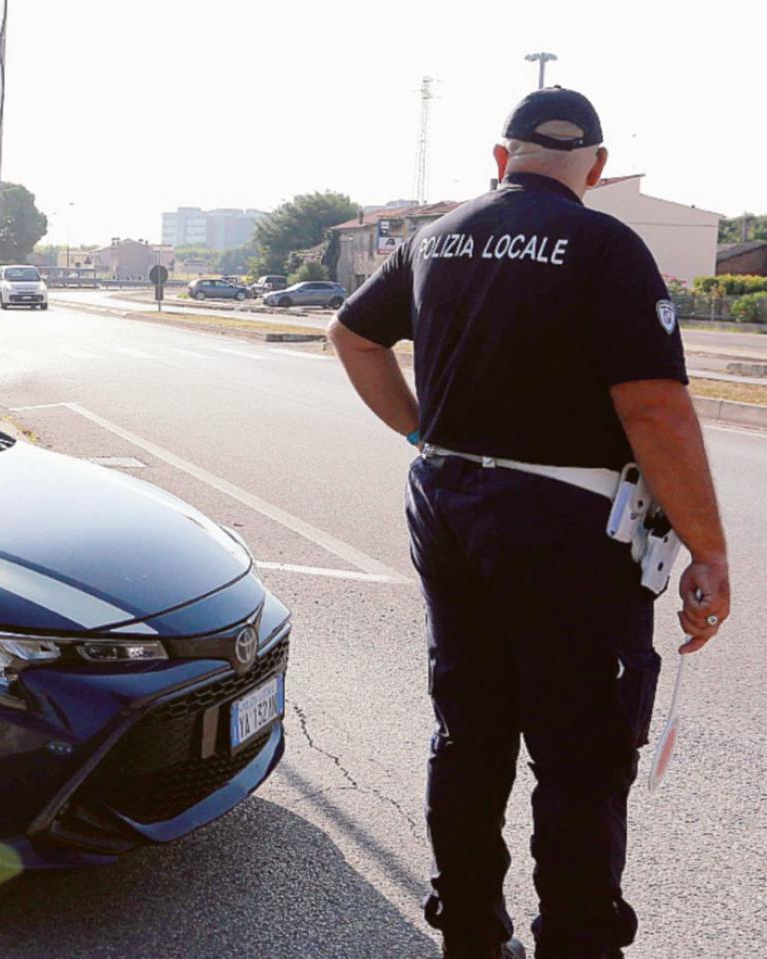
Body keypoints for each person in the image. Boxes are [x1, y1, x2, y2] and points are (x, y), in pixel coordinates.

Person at [327, 88, 731, 959]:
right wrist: (712, 547)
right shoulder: (605, 244)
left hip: (447, 501)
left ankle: (470, 932)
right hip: (566, 523)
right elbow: (656, 411)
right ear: (596, 168)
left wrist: (418, 429)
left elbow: (352, 337)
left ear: (501, 159)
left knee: (469, 732)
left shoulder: (436, 236)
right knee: (581, 750)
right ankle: (577, 941)